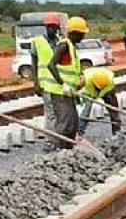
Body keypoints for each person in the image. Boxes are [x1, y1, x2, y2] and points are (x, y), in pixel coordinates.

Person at [45, 16, 88, 148]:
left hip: (68, 92)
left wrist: (79, 82)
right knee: (65, 122)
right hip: (60, 92)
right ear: (74, 33)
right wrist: (62, 84)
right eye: (82, 34)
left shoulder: (71, 47)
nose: (83, 37)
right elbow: (51, 65)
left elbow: (72, 70)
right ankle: (59, 149)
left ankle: (69, 148)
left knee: (73, 122)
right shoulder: (64, 45)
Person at [30, 14, 62, 133]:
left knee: (60, 112)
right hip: (45, 85)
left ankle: (58, 135)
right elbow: (34, 64)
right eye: (49, 27)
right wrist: (36, 83)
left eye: (53, 27)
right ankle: (51, 137)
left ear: (58, 28)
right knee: (50, 113)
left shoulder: (61, 42)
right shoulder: (37, 42)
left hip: (58, 84)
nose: (51, 29)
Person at [77, 67, 121, 136]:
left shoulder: (109, 83)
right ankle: (80, 131)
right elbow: (79, 86)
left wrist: (98, 95)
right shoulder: (86, 79)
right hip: (90, 91)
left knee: (113, 109)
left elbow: (103, 92)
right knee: (86, 110)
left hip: (107, 91)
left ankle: (117, 131)